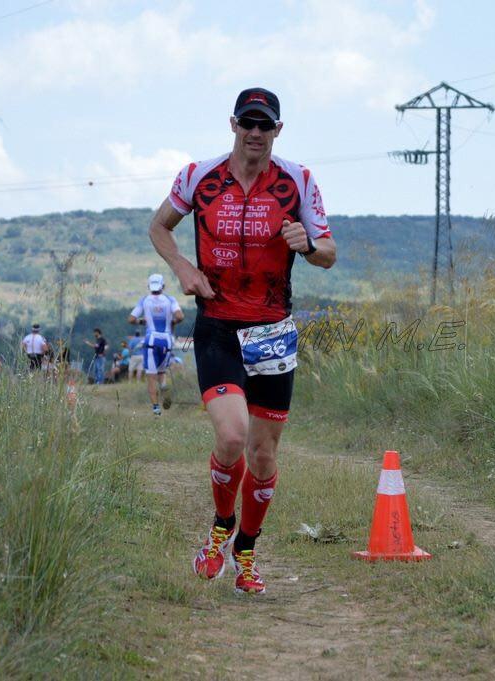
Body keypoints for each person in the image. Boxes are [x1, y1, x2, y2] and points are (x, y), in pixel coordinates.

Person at [149, 87, 335, 594]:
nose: (256, 132)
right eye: (248, 122)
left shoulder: (298, 181)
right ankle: (219, 530)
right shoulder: (198, 176)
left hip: (272, 330)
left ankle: (245, 554)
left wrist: (308, 244)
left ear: (278, 130)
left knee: (264, 455)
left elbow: (329, 253)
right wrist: (182, 267)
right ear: (233, 124)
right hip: (218, 326)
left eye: (265, 125)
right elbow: (159, 227)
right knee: (232, 437)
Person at [128, 273, 183, 416]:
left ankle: (156, 410)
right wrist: (172, 323)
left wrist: (142, 321)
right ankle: (163, 386)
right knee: (161, 372)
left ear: (149, 286)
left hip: (151, 340)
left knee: (151, 377)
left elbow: (131, 319)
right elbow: (180, 316)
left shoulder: (144, 300)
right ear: (163, 286)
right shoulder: (170, 299)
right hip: (167, 341)